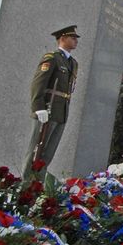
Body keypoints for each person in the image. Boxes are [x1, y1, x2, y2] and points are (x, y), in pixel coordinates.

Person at [25, 25, 79, 176]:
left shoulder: (72, 63)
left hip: (61, 111)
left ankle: (38, 183)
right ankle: (26, 183)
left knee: (48, 152)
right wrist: (38, 106)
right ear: (62, 39)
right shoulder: (52, 58)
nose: (76, 41)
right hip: (48, 108)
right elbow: (38, 83)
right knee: (36, 149)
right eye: (72, 38)